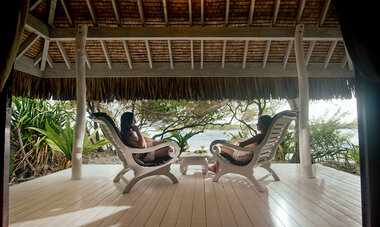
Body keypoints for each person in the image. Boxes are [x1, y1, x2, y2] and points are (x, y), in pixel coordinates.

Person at [208, 115, 273, 174]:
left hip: (243, 158)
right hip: (252, 156)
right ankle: (215, 167)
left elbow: (242, 145)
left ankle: (215, 168)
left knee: (219, 148)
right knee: (223, 150)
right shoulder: (267, 136)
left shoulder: (259, 136)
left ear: (264, 125)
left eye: (258, 123)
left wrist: (238, 144)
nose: (257, 124)